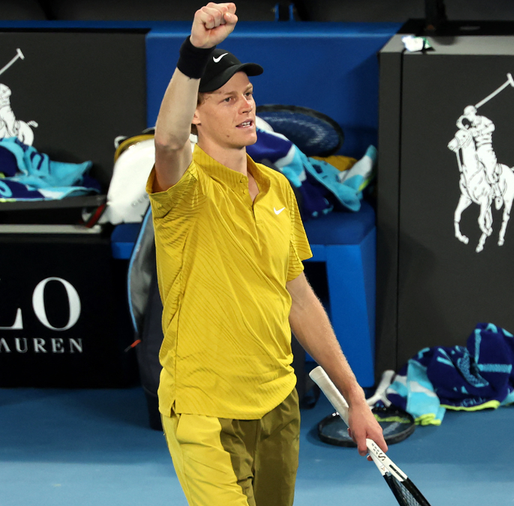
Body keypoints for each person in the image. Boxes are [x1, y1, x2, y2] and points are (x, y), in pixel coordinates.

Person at [147, 3, 387, 506]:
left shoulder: (277, 188)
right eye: (227, 98)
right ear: (195, 114)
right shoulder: (184, 191)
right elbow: (168, 142)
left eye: (248, 94)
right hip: (205, 410)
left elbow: (298, 297)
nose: (246, 107)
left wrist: (354, 397)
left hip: (278, 401)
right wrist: (194, 52)